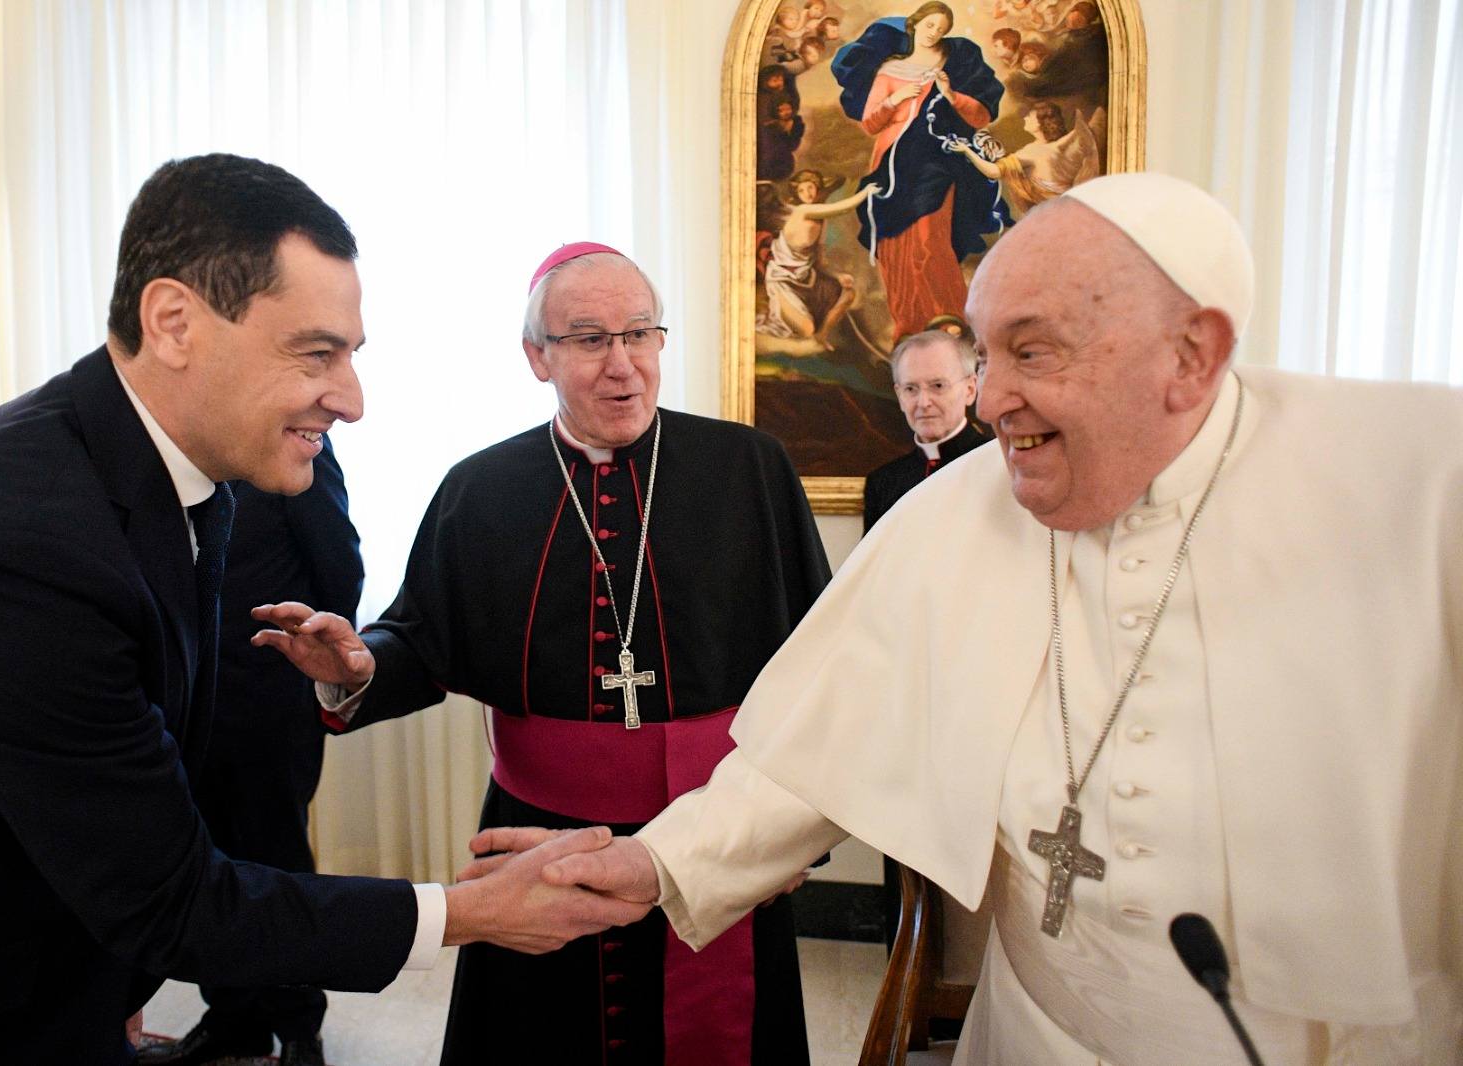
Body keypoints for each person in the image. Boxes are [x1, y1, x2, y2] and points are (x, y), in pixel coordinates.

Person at [518, 173, 1463, 1065]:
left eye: (1032, 350)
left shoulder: (1423, 488)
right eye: (985, 352)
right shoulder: (956, 511)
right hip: (1033, 1035)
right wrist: (657, 863)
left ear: (1192, 353)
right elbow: (812, 751)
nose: (989, 397)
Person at [0, 154, 647, 1065]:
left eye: (350, 354)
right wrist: (469, 912)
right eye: (317, 352)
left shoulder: (176, 470)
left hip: (45, 967)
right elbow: (171, 899)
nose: (352, 398)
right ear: (174, 323)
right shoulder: (19, 545)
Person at [253, 242, 831, 1065]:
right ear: (538, 356)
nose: (623, 364)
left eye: (641, 333)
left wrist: (794, 832)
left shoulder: (749, 469)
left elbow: (820, 665)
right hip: (542, 837)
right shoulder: (481, 489)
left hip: (718, 827)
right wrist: (359, 669)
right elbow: (424, 638)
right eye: (590, 339)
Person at [137, 437, 363, 1066]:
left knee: (277, 860)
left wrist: (308, 666)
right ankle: (233, 1017)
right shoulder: (161, 451)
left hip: (269, 704)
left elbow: (339, 565)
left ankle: (298, 1026)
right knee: (204, 864)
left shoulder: (291, 443)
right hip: (181, 702)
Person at [833, 2, 1008, 339]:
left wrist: (951, 95)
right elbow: (871, 123)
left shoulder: (951, 66)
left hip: (935, 162)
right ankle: (908, 322)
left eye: (941, 30)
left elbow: (981, 116)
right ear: (915, 25)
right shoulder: (890, 69)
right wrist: (894, 98)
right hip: (892, 162)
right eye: (930, 26)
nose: (934, 34)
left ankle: (947, 317)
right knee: (895, 243)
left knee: (931, 236)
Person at [863, 326, 986, 532]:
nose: (923, 402)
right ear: (899, 396)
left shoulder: (1001, 465)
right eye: (911, 389)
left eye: (938, 386)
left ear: (970, 389)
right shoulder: (883, 483)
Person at [760, 170, 880, 348]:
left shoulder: (820, 221)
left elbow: (820, 261)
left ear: (817, 189)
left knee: (848, 294)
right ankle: (787, 317)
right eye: (802, 190)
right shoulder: (803, 211)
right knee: (806, 330)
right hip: (782, 281)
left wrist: (838, 275)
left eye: (811, 188)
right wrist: (865, 192)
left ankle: (822, 336)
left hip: (806, 279)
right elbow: (843, 208)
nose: (807, 193)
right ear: (797, 194)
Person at [953, 101, 1101, 218]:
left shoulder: (1030, 154)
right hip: (1066, 210)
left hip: (1049, 216)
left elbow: (993, 172)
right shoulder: (1059, 146)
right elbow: (1086, 130)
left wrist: (967, 151)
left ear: (1041, 123)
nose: (1025, 118)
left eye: (1030, 115)